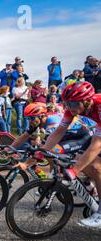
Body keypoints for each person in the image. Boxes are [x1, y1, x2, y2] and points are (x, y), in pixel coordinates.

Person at [39, 82, 101, 228]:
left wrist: (75, 170)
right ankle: (94, 187)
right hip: (97, 132)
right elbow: (58, 133)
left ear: (86, 101)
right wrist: (41, 152)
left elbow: (97, 144)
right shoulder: (72, 110)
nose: (69, 107)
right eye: (67, 103)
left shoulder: (99, 105)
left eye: (73, 103)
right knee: (84, 162)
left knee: (93, 165)